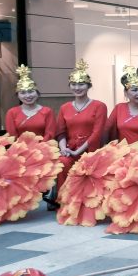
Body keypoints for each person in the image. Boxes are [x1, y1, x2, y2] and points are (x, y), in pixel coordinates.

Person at [51, 60, 108, 208]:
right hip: (70, 149)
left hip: (91, 150)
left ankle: (89, 203)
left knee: (88, 167)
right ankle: (65, 201)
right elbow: (61, 132)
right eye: (74, 84)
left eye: (81, 84)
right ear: (69, 86)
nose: (77, 88)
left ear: (89, 86)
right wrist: (63, 148)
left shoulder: (99, 106)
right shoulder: (65, 107)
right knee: (62, 162)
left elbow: (97, 132)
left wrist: (78, 151)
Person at [4, 65, 55, 139]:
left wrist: (40, 148)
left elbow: (50, 134)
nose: (27, 96)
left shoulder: (47, 111)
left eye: (31, 91)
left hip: (44, 148)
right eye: (23, 93)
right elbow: (12, 136)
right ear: (17, 95)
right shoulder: (12, 112)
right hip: (20, 149)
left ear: (37, 93)